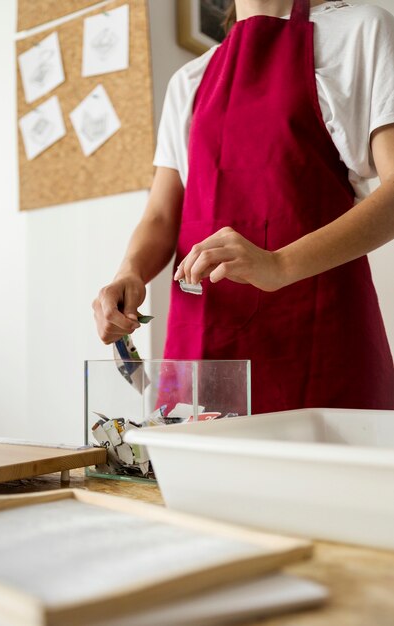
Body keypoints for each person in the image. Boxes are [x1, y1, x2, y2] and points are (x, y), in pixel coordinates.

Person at [93, 0, 394, 413]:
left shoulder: (362, 29)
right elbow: (161, 216)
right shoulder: (188, 81)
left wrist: (279, 265)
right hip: (203, 348)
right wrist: (129, 272)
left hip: (320, 343)